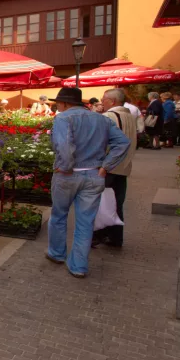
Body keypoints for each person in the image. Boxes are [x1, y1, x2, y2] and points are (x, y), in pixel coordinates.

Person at [47, 87, 130, 278]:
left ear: (66, 103)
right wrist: (106, 166)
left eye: (58, 103)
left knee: (59, 215)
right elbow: (123, 143)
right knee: (85, 222)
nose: (57, 106)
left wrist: (65, 166)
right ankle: (78, 266)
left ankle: (57, 253)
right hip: (94, 175)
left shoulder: (63, 118)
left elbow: (64, 146)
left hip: (68, 175)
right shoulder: (101, 118)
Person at [92, 88, 137, 248]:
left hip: (108, 166)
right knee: (116, 203)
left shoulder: (109, 116)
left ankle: (97, 235)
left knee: (101, 202)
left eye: (103, 98)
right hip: (123, 167)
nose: (101, 101)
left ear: (112, 101)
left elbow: (101, 143)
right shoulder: (129, 116)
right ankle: (116, 238)